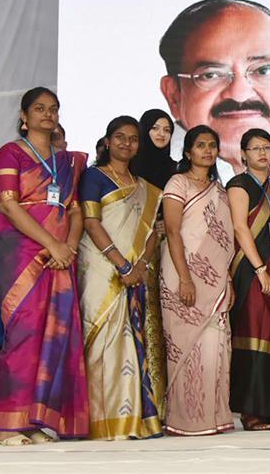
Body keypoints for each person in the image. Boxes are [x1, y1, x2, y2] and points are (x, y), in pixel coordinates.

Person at [0, 87, 88, 445]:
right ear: (24, 116)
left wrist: (69, 246)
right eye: (40, 108)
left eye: (53, 108)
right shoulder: (9, 153)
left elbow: (74, 209)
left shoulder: (66, 161)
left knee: (54, 333)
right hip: (21, 250)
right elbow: (9, 206)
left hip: (60, 253)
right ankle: (6, 425)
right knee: (25, 330)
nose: (48, 114)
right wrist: (52, 244)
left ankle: (32, 421)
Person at [77, 116, 163, 440]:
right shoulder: (94, 177)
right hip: (100, 269)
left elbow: (153, 233)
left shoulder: (144, 188)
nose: (126, 143)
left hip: (133, 272)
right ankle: (100, 420)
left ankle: (131, 418)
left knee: (129, 341)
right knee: (101, 340)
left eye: (133, 138)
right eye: (120, 137)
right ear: (108, 141)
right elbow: (91, 223)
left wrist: (138, 267)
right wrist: (122, 265)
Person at [158, 0, 270, 174]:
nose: (240, 94)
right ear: (173, 95)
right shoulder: (151, 177)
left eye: (264, 71)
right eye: (211, 75)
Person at [159, 125, 235, 436]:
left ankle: (214, 417)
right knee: (186, 346)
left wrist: (227, 281)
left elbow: (225, 243)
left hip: (215, 282)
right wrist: (185, 279)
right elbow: (172, 231)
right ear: (188, 152)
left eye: (212, 145)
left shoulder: (219, 191)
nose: (207, 150)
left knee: (215, 348)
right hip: (182, 274)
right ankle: (186, 420)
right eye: (200, 145)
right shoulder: (178, 183)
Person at [227, 129, 270, 430]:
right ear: (243, 154)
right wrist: (259, 269)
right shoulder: (238, 185)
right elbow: (240, 228)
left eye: (266, 147)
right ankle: (251, 409)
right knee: (254, 330)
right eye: (255, 148)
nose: (262, 153)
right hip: (251, 268)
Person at [130, 108, 177, 419]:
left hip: (167, 253)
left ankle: (164, 402)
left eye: (167, 130)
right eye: (156, 128)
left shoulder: (175, 170)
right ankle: (134, 400)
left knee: (164, 323)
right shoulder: (129, 167)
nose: (161, 134)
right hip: (132, 253)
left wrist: (165, 225)